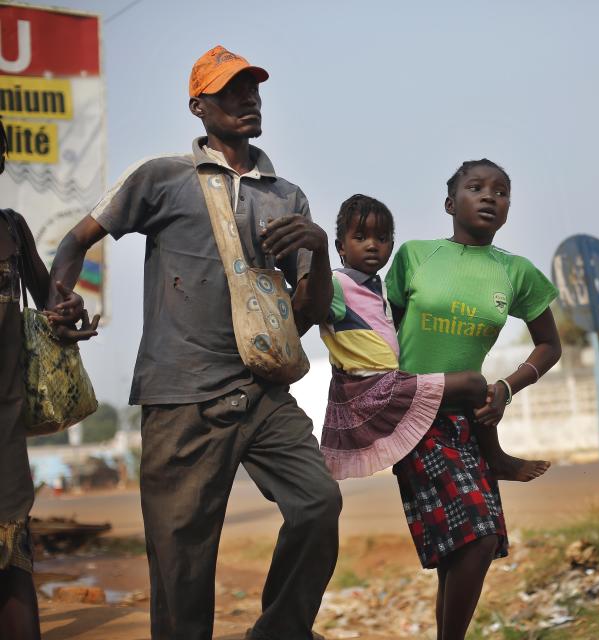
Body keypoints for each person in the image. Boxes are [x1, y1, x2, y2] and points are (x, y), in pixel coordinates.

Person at [47, 46, 341, 640]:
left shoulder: (287, 197)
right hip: (180, 396)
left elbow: (305, 315)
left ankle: (279, 632)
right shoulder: (162, 178)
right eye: (231, 90)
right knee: (181, 565)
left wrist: (321, 251)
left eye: (253, 88)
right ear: (198, 106)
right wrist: (61, 300)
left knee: (317, 504)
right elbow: (76, 241)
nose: (248, 98)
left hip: (261, 394)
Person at [386, 159, 562, 640]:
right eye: (476, 187)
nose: (490, 196)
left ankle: (497, 456)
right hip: (415, 416)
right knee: (479, 537)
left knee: (460, 548)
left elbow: (550, 346)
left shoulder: (516, 272)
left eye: (501, 191)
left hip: (472, 420)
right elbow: (385, 333)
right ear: (450, 203)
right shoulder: (415, 256)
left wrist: (507, 387)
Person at [319, 193, 550, 483]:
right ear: (341, 247)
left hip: (390, 385)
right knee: (474, 383)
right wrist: (314, 253)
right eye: (361, 237)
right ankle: (497, 459)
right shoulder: (336, 283)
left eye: (382, 238)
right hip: (373, 387)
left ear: (391, 244)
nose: (372, 246)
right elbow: (312, 305)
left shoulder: (377, 289)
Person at [0, 117, 97, 640]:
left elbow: (52, 301)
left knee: (13, 551)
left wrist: (68, 309)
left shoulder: (12, 229)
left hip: (5, 423)